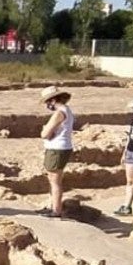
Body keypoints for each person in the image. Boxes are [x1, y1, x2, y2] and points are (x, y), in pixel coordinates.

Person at [38, 85, 75, 218]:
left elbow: (45, 133)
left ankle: (56, 210)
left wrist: (46, 131)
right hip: (62, 147)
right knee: (54, 180)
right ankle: (52, 206)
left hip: (56, 148)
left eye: (48, 102)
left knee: (55, 181)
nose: (47, 105)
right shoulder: (67, 110)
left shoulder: (59, 113)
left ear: (53, 100)